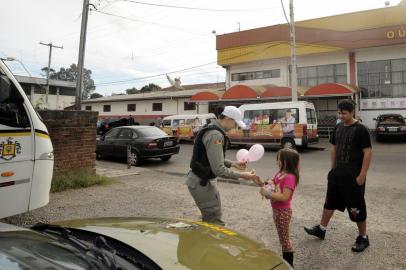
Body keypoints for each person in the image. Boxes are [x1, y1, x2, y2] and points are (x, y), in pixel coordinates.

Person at [304, 99, 372, 252]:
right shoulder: (338, 127)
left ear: (352, 112)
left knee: (357, 208)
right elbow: (333, 148)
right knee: (329, 203)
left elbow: (367, 153)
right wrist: (332, 169)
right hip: (336, 176)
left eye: (344, 113)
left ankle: (363, 237)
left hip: (353, 178)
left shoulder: (361, 129)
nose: (340, 116)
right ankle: (321, 229)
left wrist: (362, 175)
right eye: (339, 112)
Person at [186, 106, 261, 226]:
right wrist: (242, 175)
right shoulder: (216, 135)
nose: (234, 127)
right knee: (214, 220)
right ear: (227, 118)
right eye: (235, 123)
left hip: (199, 180)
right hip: (202, 182)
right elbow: (218, 169)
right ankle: (210, 244)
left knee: (210, 217)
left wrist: (233, 164)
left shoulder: (210, 128)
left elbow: (211, 157)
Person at [259, 148, 300, 268]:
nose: (277, 161)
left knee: (285, 240)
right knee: (283, 238)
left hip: (283, 212)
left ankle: (289, 266)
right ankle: (287, 263)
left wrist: (269, 194)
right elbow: (274, 183)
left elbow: (285, 197)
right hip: (277, 210)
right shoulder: (281, 173)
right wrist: (267, 184)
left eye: (279, 159)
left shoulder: (290, 177)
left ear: (286, 161)